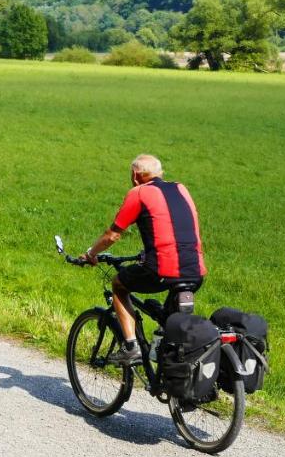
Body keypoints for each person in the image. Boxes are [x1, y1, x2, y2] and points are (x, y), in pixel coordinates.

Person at [81, 154, 206, 363]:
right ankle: (169, 371)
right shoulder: (181, 188)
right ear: (161, 174)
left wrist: (91, 254)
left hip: (161, 270)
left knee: (119, 285)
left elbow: (112, 235)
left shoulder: (139, 193)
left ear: (134, 175)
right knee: (168, 321)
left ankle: (131, 347)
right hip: (195, 270)